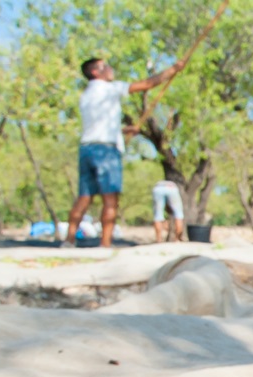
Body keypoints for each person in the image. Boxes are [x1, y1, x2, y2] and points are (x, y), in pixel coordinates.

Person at [65, 56, 189, 248]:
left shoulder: (86, 95)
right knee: (110, 197)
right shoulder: (109, 88)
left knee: (84, 197)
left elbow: (98, 126)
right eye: (104, 66)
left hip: (87, 148)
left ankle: (68, 241)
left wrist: (122, 131)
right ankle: (105, 244)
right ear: (95, 72)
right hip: (106, 150)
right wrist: (173, 69)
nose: (109, 68)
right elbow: (148, 84)